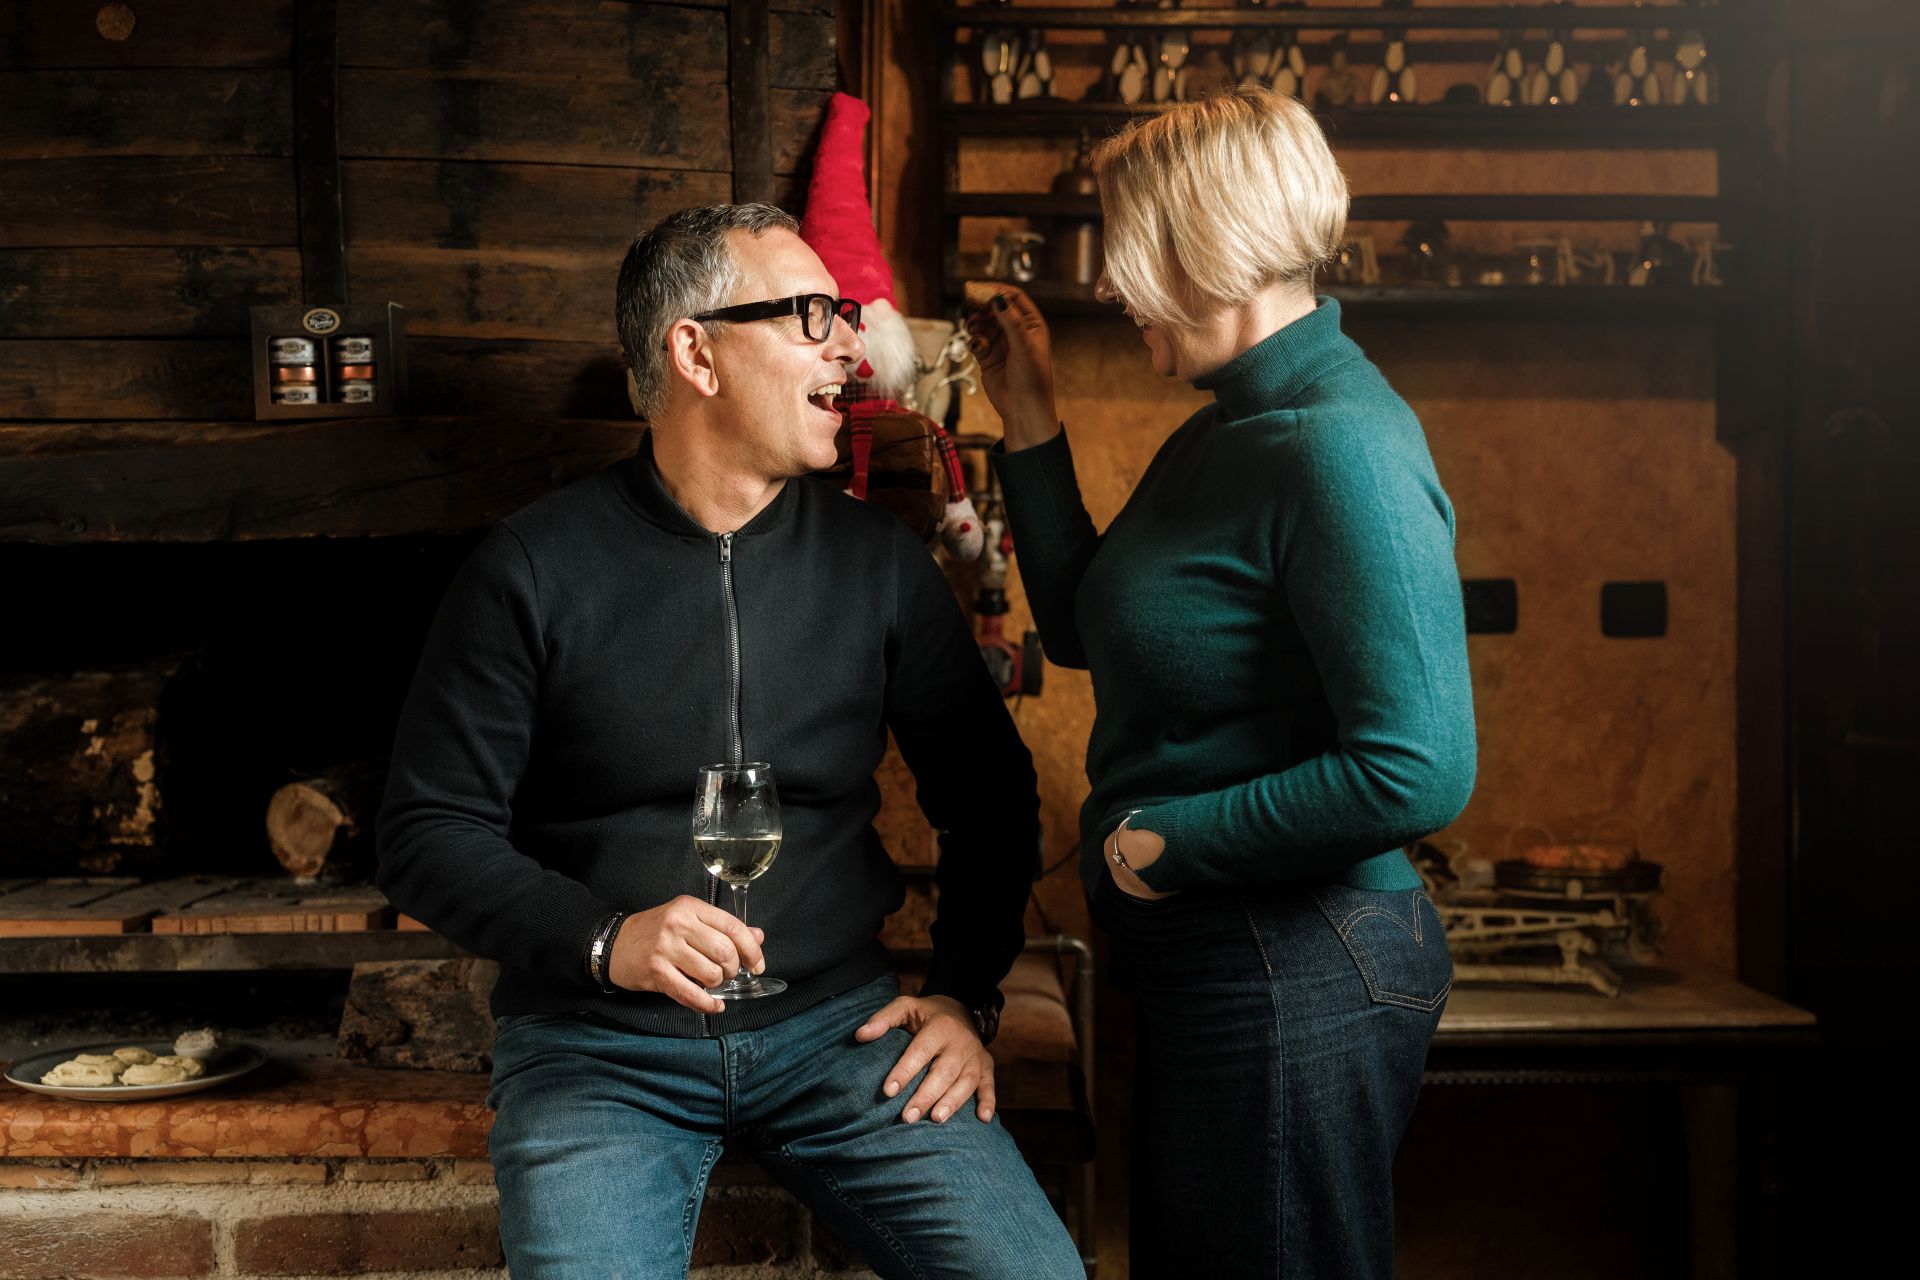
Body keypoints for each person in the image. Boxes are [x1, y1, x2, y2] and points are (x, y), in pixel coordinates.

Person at [378, 202, 1084, 1280]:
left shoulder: (880, 564)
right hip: (597, 1049)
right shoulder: (531, 568)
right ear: (696, 353)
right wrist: (606, 937)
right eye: (810, 316)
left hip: (841, 1034)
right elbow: (425, 830)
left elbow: (989, 795)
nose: (849, 348)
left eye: (844, 317)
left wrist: (963, 992)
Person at [966, 86, 1476, 1280]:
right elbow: (1093, 627)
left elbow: (1418, 767)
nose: (1109, 284)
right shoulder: (1229, 425)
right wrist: (1029, 415)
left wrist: (1167, 844)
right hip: (1230, 962)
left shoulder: (1336, 442)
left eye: (1126, 246)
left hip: (1301, 961)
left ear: (1208, 243)